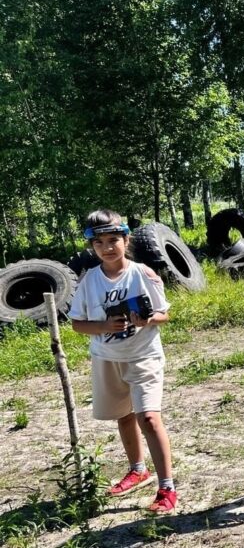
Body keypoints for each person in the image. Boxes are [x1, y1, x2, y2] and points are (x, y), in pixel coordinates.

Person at [68, 210, 178, 514]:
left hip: (143, 357)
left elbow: (163, 314)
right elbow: (78, 324)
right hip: (107, 358)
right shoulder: (89, 280)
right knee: (124, 416)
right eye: (100, 242)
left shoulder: (142, 273)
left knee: (149, 418)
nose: (107, 247)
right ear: (92, 246)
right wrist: (106, 326)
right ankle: (137, 469)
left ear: (126, 239)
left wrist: (145, 320)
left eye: (114, 240)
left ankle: (167, 487)